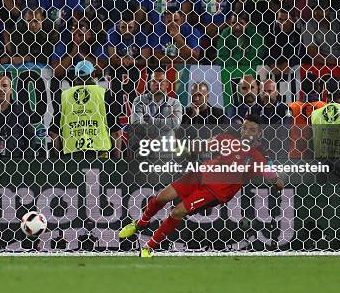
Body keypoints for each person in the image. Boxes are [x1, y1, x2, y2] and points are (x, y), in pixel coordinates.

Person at [119, 114, 284, 257]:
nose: (246, 133)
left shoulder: (259, 156)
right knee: (162, 197)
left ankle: (149, 247)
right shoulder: (227, 139)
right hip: (199, 175)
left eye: (252, 130)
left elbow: (276, 180)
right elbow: (203, 146)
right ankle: (140, 223)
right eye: (245, 128)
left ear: (259, 133)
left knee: (177, 211)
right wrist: (186, 149)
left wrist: (274, 180)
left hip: (215, 191)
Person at [51, 60, 121, 159]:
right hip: (100, 154)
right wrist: (117, 159)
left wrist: (59, 157)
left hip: (72, 156)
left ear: (75, 75)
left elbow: (53, 133)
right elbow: (116, 132)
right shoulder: (103, 94)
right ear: (93, 74)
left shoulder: (64, 96)